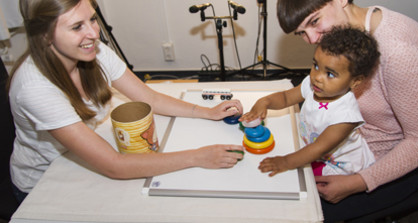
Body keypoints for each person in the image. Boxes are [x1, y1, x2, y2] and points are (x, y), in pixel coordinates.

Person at [7, 0, 244, 204]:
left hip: (81, 154)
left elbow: (148, 97)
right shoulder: (34, 88)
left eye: (92, 19)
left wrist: (206, 112)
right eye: (77, 26)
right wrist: (197, 157)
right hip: (44, 181)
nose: (93, 33)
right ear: (45, 35)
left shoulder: (93, 50)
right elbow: (114, 166)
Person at [276, 0, 418, 221]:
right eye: (301, 33)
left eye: (315, 21)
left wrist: (358, 182)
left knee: (297, 211)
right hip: (348, 142)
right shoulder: (353, 30)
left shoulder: (397, 53)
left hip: (385, 159)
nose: (311, 39)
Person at [240, 26, 379, 177]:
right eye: (316, 65)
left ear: (355, 81)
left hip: (339, 164)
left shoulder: (345, 116)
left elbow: (318, 149)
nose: (317, 77)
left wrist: (285, 162)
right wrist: (265, 101)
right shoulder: (314, 85)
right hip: (312, 146)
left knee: (306, 182)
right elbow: (286, 98)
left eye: (330, 74)